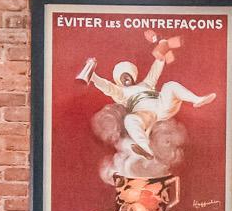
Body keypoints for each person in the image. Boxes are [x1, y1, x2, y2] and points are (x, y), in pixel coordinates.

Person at [75, 31, 217, 156]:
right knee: (129, 120)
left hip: (161, 106)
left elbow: (157, 66)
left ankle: (197, 100)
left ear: (132, 76)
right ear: (118, 80)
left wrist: (162, 46)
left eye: (128, 75)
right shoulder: (120, 92)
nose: (126, 78)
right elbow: (106, 86)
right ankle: (146, 148)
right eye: (122, 77)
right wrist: (92, 75)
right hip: (143, 116)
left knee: (170, 85)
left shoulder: (146, 84)